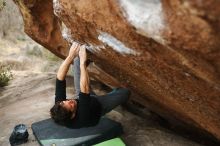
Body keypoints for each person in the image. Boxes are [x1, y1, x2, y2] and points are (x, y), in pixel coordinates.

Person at [50, 42, 131, 128]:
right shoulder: (82, 117)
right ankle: (114, 93)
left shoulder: (59, 108)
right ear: (72, 115)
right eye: (70, 105)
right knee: (125, 92)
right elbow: (84, 89)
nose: (68, 101)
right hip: (98, 106)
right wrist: (82, 63)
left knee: (77, 59)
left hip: (82, 97)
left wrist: (70, 56)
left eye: (64, 101)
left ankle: (90, 55)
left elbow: (59, 78)